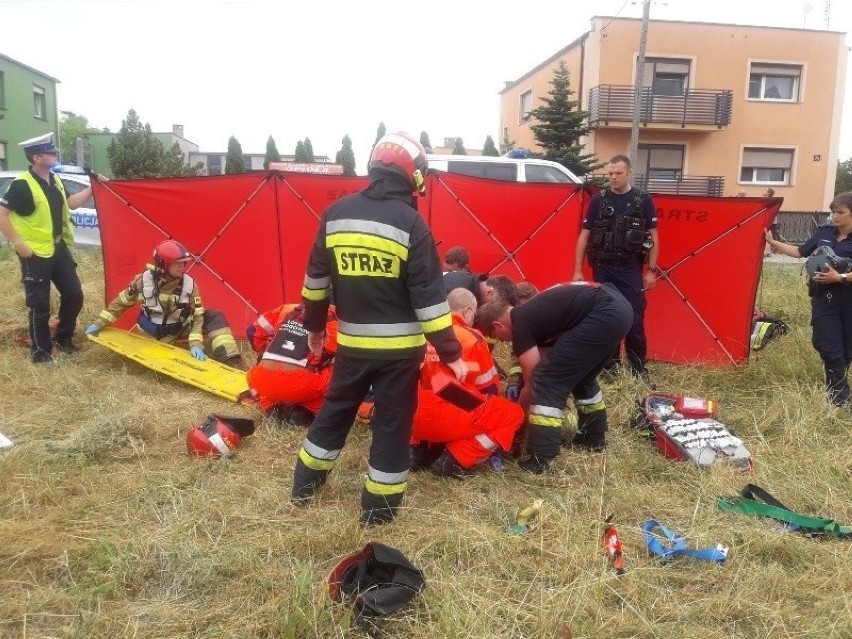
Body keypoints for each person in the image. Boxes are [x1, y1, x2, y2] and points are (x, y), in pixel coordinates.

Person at [291, 131, 467, 526]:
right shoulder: (411, 224)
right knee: (391, 426)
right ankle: (379, 514)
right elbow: (429, 298)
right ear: (410, 173)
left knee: (335, 412)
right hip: (399, 355)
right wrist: (452, 353)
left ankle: (304, 489)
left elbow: (315, 285)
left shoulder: (335, 215)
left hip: (352, 347)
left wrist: (316, 330)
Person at [474, 282, 633, 473]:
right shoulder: (531, 314)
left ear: (497, 325)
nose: (502, 341)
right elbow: (550, 355)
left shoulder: (521, 326)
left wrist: (516, 424)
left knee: (546, 381)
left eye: (497, 336)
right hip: (620, 309)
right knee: (581, 376)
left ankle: (542, 456)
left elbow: (533, 382)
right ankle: (593, 437)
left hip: (604, 312)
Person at [0, 133, 107, 363]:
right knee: (40, 304)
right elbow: (2, 215)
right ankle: (41, 352)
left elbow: (70, 204)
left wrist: (93, 188)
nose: (55, 154)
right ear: (37, 157)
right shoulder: (22, 185)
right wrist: (19, 244)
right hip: (34, 252)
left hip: (58, 247)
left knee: (74, 294)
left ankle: (63, 338)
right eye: (50, 152)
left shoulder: (55, 179)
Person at [411, 287, 524, 478]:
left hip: (410, 421)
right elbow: (489, 388)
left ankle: (416, 451)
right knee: (512, 414)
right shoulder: (472, 338)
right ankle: (456, 459)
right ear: (467, 311)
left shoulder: (417, 334)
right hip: (448, 420)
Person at [84, 240, 243, 367]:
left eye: (184, 263)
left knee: (214, 315)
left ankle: (231, 360)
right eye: (178, 263)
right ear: (164, 264)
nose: (183, 267)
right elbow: (121, 303)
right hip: (149, 336)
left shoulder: (189, 285)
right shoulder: (143, 280)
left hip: (177, 331)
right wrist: (98, 324)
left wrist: (195, 344)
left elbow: (197, 317)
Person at [573, 154, 658, 383]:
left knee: (634, 319)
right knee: (606, 317)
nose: (613, 177)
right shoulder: (598, 200)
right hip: (603, 268)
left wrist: (651, 270)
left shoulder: (643, 200)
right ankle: (609, 368)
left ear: (629, 173)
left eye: (618, 173)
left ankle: (638, 369)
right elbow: (584, 235)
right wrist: (577, 271)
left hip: (630, 269)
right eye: (610, 173)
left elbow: (653, 236)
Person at [764, 192, 852, 407]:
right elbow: (800, 251)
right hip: (824, 300)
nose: (834, 216)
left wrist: (838, 277)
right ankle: (840, 400)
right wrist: (773, 242)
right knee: (828, 346)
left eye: (840, 212)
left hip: (849, 301)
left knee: (846, 349)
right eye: (833, 212)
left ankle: (838, 387)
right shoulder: (824, 234)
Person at [245, 303, 338, 425]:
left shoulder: (287, 309)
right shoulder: (338, 322)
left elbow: (252, 331)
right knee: (340, 369)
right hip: (300, 385)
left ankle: (269, 404)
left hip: (260, 379)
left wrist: (263, 351)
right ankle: (308, 409)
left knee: (260, 374)